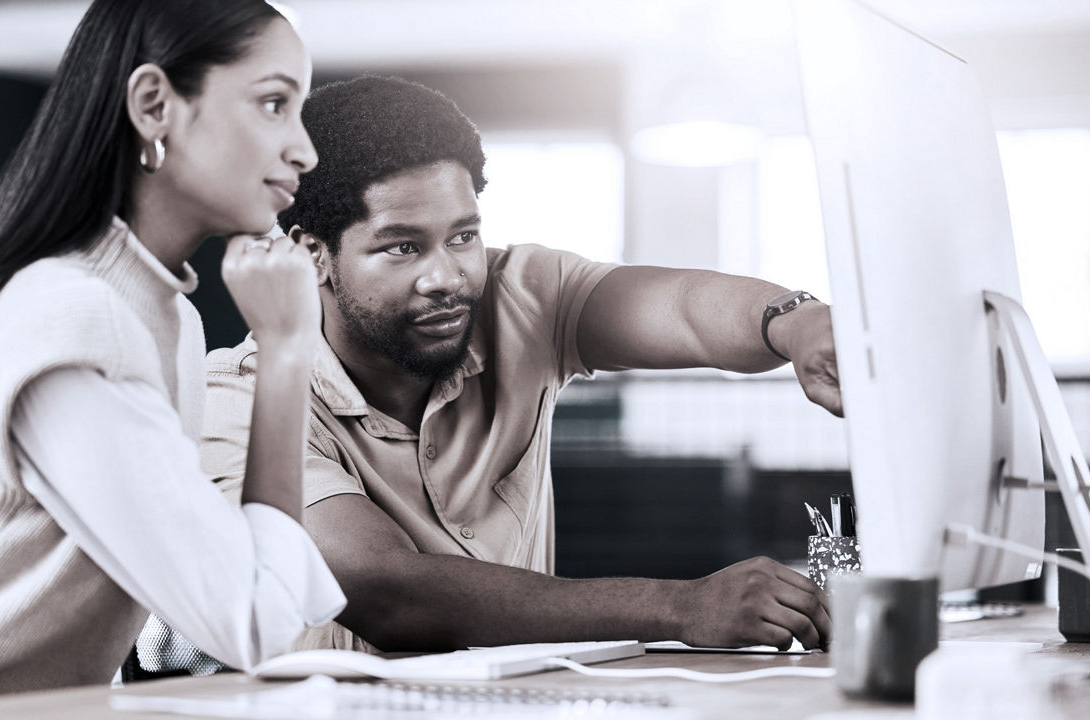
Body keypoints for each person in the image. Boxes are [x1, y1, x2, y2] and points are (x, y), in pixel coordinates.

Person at [190, 74, 842, 660]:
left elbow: (683, 310)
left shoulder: (520, 294)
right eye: (402, 248)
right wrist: (682, 607)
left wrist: (796, 321)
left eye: (463, 236)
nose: (446, 275)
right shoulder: (247, 396)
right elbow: (387, 593)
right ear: (313, 254)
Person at [0, 0, 344, 711]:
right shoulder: (68, 314)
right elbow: (250, 621)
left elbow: (233, 605)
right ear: (155, 105)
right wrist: (283, 352)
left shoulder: (169, 321)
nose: (304, 150)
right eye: (274, 103)